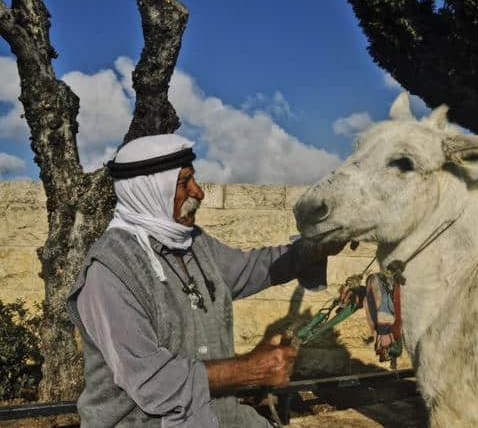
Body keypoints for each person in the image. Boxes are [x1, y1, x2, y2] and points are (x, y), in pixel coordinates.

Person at [66, 134, 344, 427]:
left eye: (193, 181)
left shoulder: (195, 245)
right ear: (149, 191)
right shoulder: (109, 271)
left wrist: (315, 248)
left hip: (221, 417)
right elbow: (153, 381)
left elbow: (253, 268)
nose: (198, 193)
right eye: (184, 183)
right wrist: (252, 369)